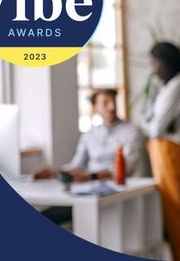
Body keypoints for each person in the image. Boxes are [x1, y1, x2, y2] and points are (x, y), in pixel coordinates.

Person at [34, 88, 142, 223]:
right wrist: (54, 172)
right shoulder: (89, 134)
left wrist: (91, 176)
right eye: (105, 102)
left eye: (113, 101)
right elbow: (76, 165)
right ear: (95, 108)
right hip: (88, 190)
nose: (112, 107)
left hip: (115, 191)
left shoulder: (131, 131)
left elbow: (127, 169)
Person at [140, 41, 180, 261]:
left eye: (155, 62)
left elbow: (154, 128)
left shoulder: (179, 86)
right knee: (171, 212)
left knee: (177, 212)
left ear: (166, 61)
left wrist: (153, 124)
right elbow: (148, 119)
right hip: (166, 152)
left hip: (173, 153)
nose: (153, 67)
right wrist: (155, 123)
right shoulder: (167, 86)